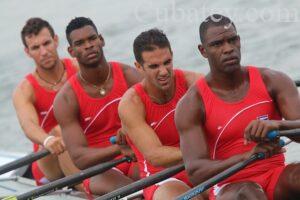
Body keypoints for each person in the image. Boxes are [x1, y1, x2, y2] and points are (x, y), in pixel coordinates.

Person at [175, 14, 300, 200]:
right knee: (248, 193)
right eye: (217, 44)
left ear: (239, 41)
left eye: (232, 40)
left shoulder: (274, 80)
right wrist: (246, 156)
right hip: (229, 187)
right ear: (203, 51)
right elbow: (195, 172)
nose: (228, 49)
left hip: (275, 175)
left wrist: (279, 126)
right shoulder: (192, 103)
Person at [53, 17, 143, 196]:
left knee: (152, 185)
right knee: (133, 194)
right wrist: (120, 148)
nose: (88, 45)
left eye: (92, 39)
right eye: (80, 43)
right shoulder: (66, 98)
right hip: (99, 170)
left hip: (137, 156)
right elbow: (79, 158)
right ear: (71, 51)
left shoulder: (129, 76)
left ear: (101, 40)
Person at [118, 29, 206, 200]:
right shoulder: (131, 103)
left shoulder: (194, 82)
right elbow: (155, 155)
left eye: (167, 62)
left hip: (203, 165)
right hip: (163, 178)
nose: (164, 71)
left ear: (172, 55)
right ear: (138, 67)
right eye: (154, 66)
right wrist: (202, 149)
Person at [13, 17, 82, 187]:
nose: (44, 52)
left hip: (85, 143)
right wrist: (47, 140)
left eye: (46, 43)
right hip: (50, 160)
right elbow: (28, 124)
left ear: (56, 40)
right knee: (60, 130)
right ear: (28, 52)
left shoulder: (78, 68)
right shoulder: (24, 90)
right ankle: (86, 188)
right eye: (36, 47)